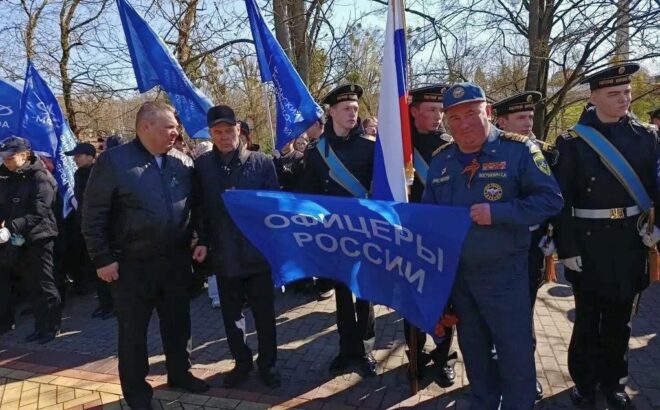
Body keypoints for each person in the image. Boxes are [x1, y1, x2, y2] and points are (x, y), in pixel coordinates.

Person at [422, 83, 563, 409]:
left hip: (505, 277)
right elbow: (429, 221)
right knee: (475, 356)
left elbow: (550, 200)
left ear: (487, 112)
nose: (463, 124)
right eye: (455, 118)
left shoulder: (519, 152)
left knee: (515, 357)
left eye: (471, 114)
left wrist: (499, 213)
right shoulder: (442, 161)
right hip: (461, 281)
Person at [82, 102, 209, 409]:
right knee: (133, 333)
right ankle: (137, 393)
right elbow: (93, 214)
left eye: (176, 127)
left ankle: (180, 373)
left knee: (178, 325)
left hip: (175, 262)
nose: (176, 132)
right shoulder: (114, 161)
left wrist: (201, 238)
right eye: (169, 127)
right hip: (131, 267)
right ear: (146, 127)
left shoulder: (183, 162)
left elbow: (197, 206)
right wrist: (102, 258)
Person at [552, 63, 659, 409]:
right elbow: (560, 200)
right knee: (587, 319)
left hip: (631, 241)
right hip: (589, 243)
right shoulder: (572, 142)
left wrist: (657, 228)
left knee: (620, 320)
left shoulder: (647, 137)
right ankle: (584, 382)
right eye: (614, 94)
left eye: (626, 92)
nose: (623, 99)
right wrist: (567, 248)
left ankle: (614, 382)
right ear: (594, 97)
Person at [195, 105, 281, 389]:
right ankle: (242, 363)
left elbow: (274, 206)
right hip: (224, 254)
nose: (224, 136)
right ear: (210, 134)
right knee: (231, 317)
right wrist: (203, 241)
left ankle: (268, 365)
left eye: (228, 130)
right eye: (217, 131)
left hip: (258, 254)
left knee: (264, 316)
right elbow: (200, 209)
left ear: (238, 129)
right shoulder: (203, 165)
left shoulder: (261, 162)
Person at [300, 84, 378, 377]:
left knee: (365, 293)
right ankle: (347, 350)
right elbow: (309, 194)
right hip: (333, 234)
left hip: (364, 232)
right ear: (331, 112)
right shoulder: (316, 152)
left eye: (355, 108)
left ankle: (366, 350)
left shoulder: (371, 147)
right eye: (346, 108)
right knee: (342, 295)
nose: (352, 113)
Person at [492, 91, 558, 400]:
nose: (528, 123)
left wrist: (554, 239)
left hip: (530, 247)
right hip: (496, 247)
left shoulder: (545, 153)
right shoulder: (488, 153)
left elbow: (555, 200)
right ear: (502, 121)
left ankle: (525, 375)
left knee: (523, 312)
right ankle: (494, 373)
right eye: (521, 117)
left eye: (530, 117)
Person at [404, 84, 456, 386]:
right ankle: (416, 354)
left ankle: (444, 357)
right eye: (431, 110)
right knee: (412, 299)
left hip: (441, 236)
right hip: (409, 235)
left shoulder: (451, 146)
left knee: (445, 299)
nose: (438, 116)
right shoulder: (401, 146)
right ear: (414, 111)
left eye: (440, 110)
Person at [0, 136, 61, 343]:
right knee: (30, 284)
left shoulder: (40, 177)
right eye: (4, 158)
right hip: (17, 238)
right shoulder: (5, 176)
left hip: (39, 236)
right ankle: (40, 325)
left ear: (25, 155)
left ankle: (51, 326)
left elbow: (39, 211)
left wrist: (10, 227)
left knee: (44, 282)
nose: (7, 162)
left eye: (10, 158)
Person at [64, 142, 115, 319]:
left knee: (106, 266)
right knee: (95, 268)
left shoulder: (100, 173)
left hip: (102, 228)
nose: (75, 160)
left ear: (90, 157)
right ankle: (104, 302)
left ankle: (112, 304)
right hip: (87, 227)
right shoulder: (79, 174)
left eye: (79, 156)